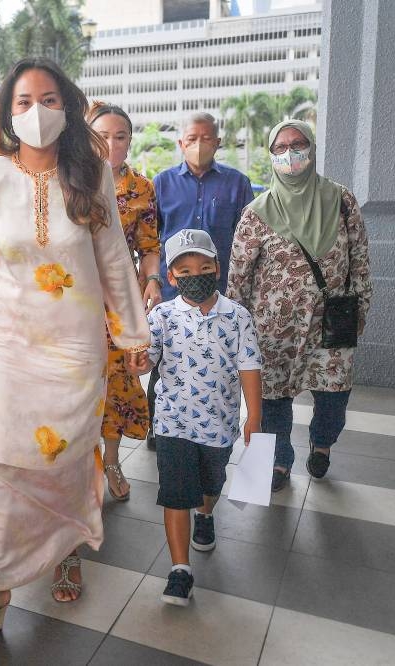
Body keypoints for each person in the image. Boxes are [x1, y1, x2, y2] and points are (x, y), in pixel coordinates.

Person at [0, 58, 150, 652]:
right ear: (8, 111)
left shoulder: (92, 175)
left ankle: (66, 549)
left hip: (75, 347)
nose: (36, 112)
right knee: (3, 464)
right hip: (9, 346)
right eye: (24, 101)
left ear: (69, 106)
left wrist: (134, 338)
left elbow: (113, 261)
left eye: (49, 99)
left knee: (68, 458)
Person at [227, 120, 373, 492]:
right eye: (281, 147)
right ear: (272, 155)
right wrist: (235, 333)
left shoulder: (341, 200)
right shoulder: (257, 212)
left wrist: (361, 310)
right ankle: (278, 462)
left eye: (298, 143)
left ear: (311, 148)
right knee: (274, 397)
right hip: (274, 330)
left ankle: (322, 443)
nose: (290, 153)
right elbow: (239, 277)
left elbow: (359, 260)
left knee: (334, 394)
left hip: (332, 323)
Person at [139, 228, 262, 606]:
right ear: (172, 277)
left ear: (218, 269)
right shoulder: (161, 316)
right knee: (175, 494)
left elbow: (249, 366)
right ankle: (180, 570)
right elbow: (148, 359)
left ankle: (206, 513)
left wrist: (253, 417)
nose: (196, 275)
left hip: (219, 424)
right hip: (172, 421)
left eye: (204, 267)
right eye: (185, 270)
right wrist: (139, 362)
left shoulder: (237, 316)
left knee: (211, 483)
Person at [145, 113, 255, 451]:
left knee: (216, 360)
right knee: (164, 359)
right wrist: (152, 280)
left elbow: (247, 239)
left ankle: (215, 425)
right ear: (181, 143)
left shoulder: (237, 184)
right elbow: (150, 237)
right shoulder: (161, 183)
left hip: (218, 290)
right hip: (173, 289)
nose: (198, 145)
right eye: (192, 139)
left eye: (206, 138)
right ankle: (158, 425)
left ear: (218, 143)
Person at [87, 102, 162, 501]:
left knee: (118, 386)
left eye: (120, 137)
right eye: (102, 136)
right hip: (73, 303)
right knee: (78, 384)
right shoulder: (72, 182)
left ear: (131, 141)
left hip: (118, 304)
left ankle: (111, 461)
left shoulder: (142, 188)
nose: (112, 144)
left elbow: (149, 245)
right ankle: (85, 467)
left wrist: (151, 278)